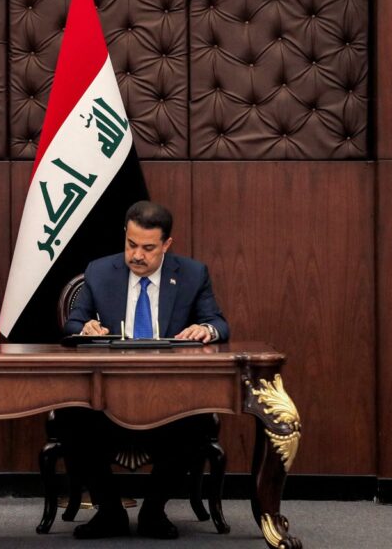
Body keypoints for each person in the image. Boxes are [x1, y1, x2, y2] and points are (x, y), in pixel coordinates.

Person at [61, 200, 230, 540]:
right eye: (131, 244)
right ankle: (109, 512)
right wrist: (85, 329)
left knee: (197, 420)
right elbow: (74, 322)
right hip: (107, 395)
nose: (137, 255)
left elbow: (218, 323)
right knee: (69, 415)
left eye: (148, 248)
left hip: (170, 396)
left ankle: (154, 510)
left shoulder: (193, 274)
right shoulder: (99, 271)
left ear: (167, 245)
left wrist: (206, 331)